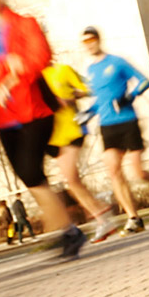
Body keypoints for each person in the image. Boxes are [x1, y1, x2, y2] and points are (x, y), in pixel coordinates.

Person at [0, 0, 85, 259]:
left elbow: (40, 57)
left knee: (31, 172)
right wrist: (5, 64)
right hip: (3, 117)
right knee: (31, 178)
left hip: (35, 110)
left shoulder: (25, 23)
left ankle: (67, 231)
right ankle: (68, 231)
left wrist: (11, 79)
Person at [81, 26, 149, 235]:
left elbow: (144, 81)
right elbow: (100, 101)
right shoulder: (91, 71)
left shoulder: (117, 62)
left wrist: (128, 97)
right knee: (113, 171)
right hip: (107, 126)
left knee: (137, 172)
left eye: (91, 39)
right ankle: (134, 218)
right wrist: (87, 114)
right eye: (85, 42)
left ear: (98, 40)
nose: (89, 44)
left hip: (127, 121)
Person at [41, 59, 120, 243]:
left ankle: (102, 216)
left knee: (70, 178)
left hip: (73, 129)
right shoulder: (36, 79)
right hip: (54, 136)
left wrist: (70, 98)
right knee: (71, 181)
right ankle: (102, 214)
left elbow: (90, 88)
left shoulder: (63, 69)